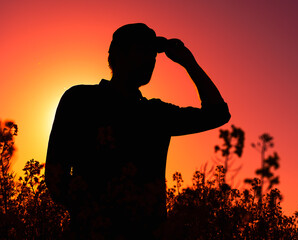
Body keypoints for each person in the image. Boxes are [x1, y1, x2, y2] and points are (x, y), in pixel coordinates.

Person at [45, 23, 230, 239]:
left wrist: (189, 63)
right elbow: (55, 176)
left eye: (153, 55)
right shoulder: (80, 100)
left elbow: (217, 114)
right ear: (119, 54)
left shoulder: (156, 113)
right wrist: (93, 216)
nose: (151, 60)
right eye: (143, 51)